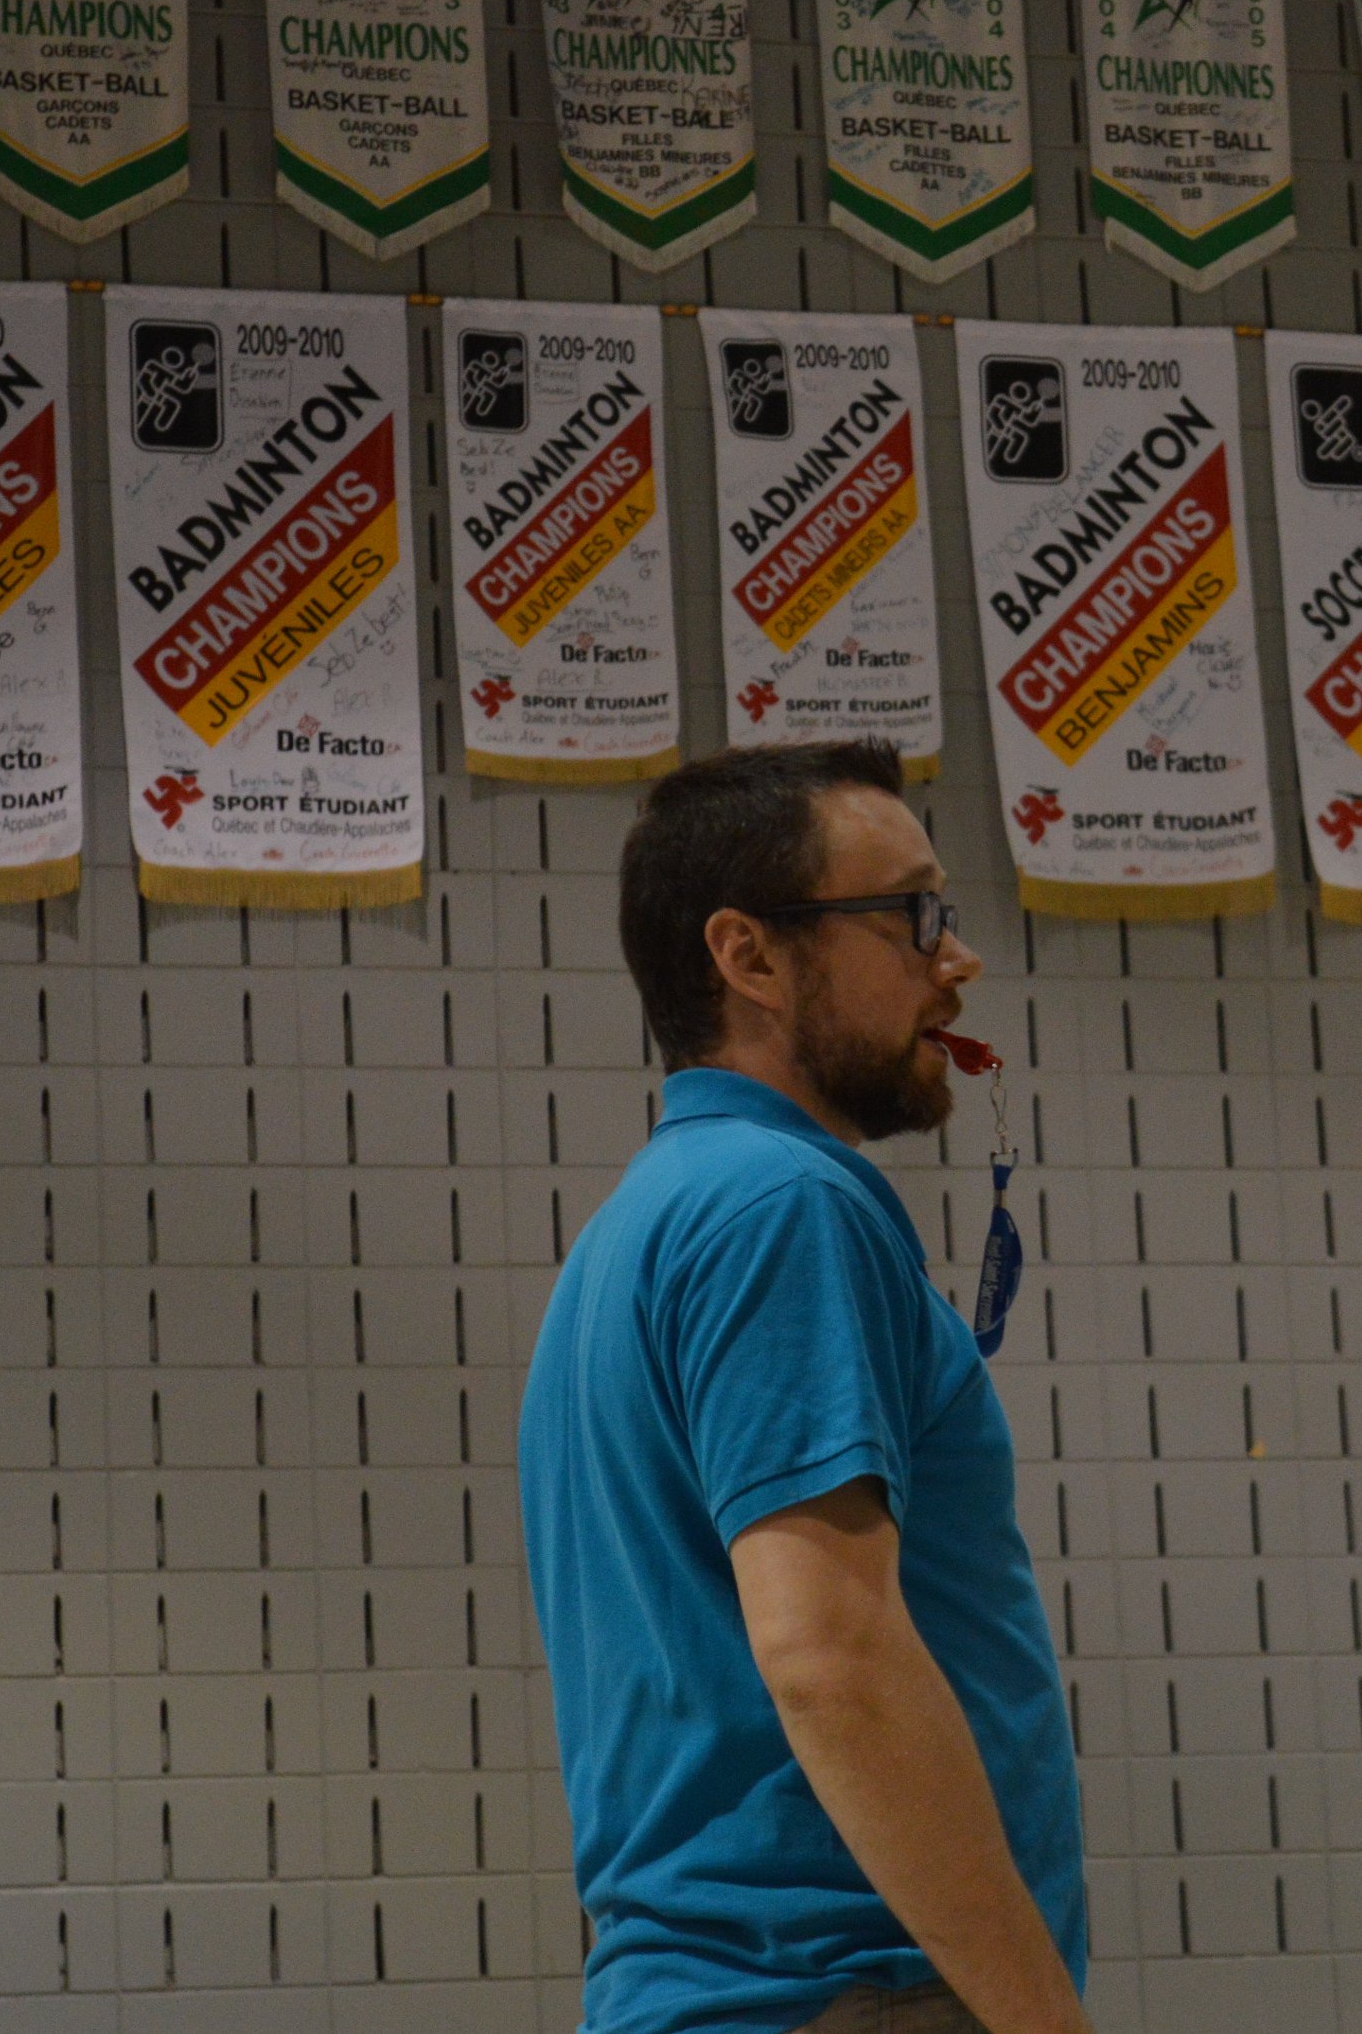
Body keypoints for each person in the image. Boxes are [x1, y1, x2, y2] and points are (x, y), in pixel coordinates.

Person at [520, 740, 1089, 2034]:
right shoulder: (784, 1205)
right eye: (913, 915)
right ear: (750, 956)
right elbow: (831, 1657)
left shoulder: (643, 1224)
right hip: (847, 1992)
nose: (957, 960)